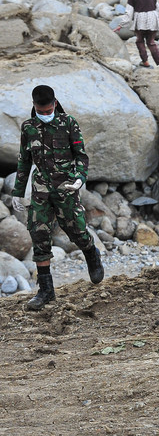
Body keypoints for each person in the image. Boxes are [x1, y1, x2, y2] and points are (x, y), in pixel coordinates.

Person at [12, 85, 105, 311]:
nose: (45, 115)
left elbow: (81, 157)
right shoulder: (28, 127)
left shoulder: (68, 123)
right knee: (38, 234)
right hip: (40, 190)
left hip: (66, 187)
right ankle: (46, 290)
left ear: (55, 103)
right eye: (40, 111)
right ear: (34, 106)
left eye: (48, 110)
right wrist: (17, 191)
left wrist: (79, 179)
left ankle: (91, 254)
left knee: (77, 231)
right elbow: (24, 161)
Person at [114, 0, 159, 68]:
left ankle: (145, 61)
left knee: (140, 41)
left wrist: (120, 25)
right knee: (151, 42)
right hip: (153, 18)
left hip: (140, 20)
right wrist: (153, 16)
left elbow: (129, 14)